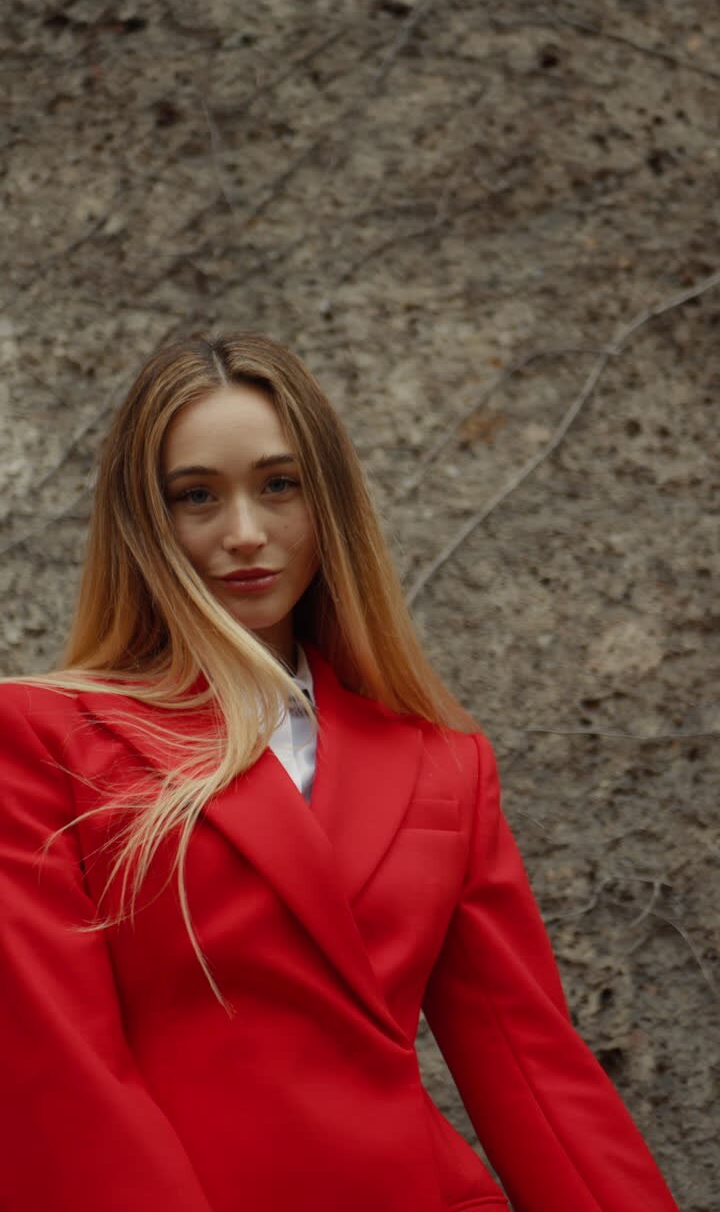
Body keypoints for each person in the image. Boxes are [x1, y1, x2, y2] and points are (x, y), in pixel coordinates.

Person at [0, 333, 680, 1212]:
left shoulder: (445, 762)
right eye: (196, 496)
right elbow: (60, 1072)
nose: (245, 533)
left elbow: (534, 1068)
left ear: (330, 502)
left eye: (279, 485)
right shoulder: (45, 736)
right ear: (145, 523)